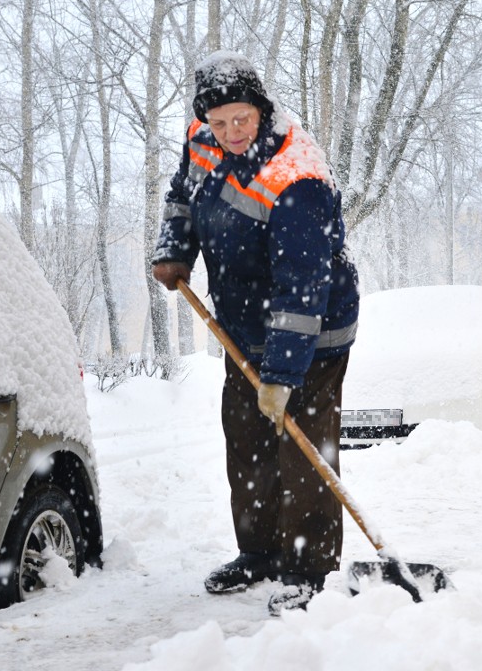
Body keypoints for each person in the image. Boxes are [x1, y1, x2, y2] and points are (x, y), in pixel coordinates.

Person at [151, 50, 359, 614]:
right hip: (242, 326)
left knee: (301, 449)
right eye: (219, 123)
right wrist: (174, 251)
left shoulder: (299, 178)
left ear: (261, 110)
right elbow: (182, 197)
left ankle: (310, 568)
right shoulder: (203, 139)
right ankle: (261, 553)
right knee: (245, 443)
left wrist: (283, 375)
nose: (230, 132)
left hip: (312, 335)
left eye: (240, 119)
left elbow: (302, 287)